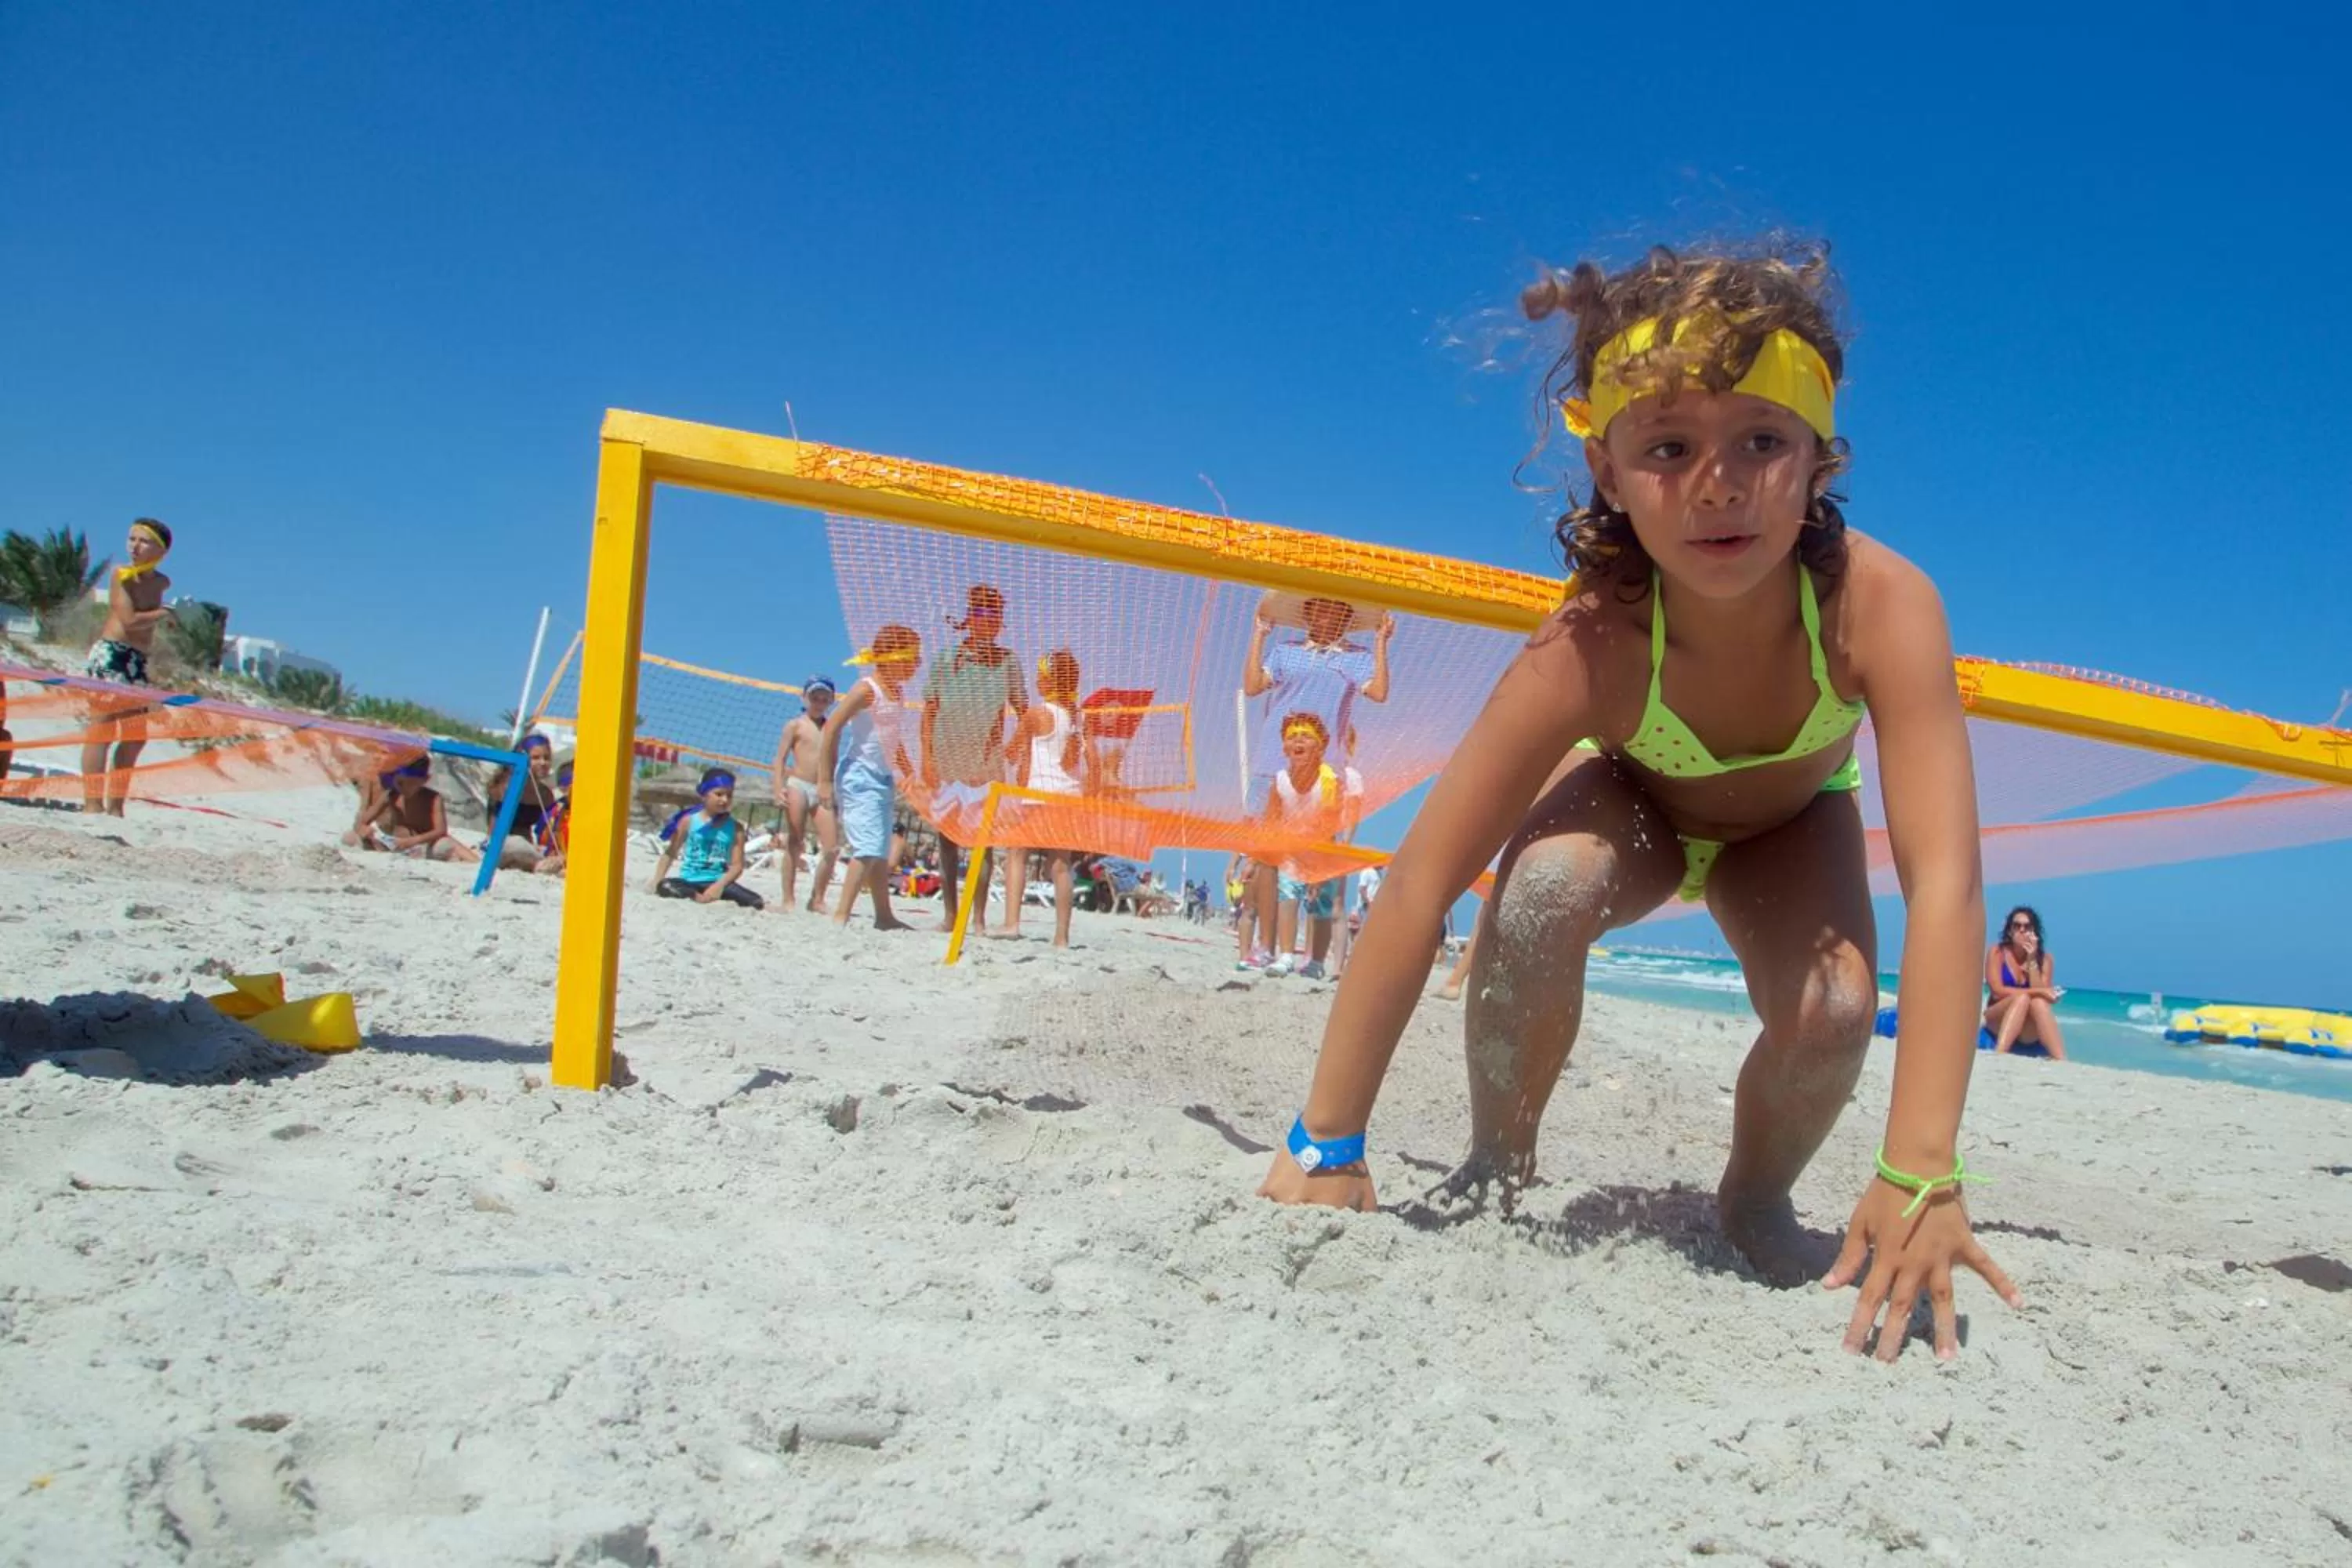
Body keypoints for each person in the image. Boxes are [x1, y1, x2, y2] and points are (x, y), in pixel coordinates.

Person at [1258, 243, 2020, 1362]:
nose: (1718, 483)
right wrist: (1327, 1142)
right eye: (1668, 447)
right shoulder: (1594, 638)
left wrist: (1921, 1169)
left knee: (1836, 1007)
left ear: (1820, 458)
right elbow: (1420, 880)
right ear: (1607, 470)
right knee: (1543, 890)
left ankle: (1755, 1198)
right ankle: (1499, 1157)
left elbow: (1946, 883)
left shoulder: (1882, 606)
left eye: (1762, 440)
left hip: (1788, 829)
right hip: (1637, 803)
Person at [922, 584, 1028, 931]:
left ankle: (978, 919)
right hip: (947, 761)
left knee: (983, 845)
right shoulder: (947, 659)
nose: (990, 621)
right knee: (947, 842)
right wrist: (927, 760)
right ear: (970, 618)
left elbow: (1025, 713)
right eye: (983, 613)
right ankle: (951, 916)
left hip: (986, 766)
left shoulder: (1008, 661)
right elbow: (929, 711)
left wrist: (1015, 748)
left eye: (996, 615)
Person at [1242, 595, 1392, 814]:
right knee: (1256, 834)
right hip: (1272, 764)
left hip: (1326, 772)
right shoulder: (1285, 651)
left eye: (1334, 607)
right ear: (1307, 614)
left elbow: (1379, 693)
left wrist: (1380, 642)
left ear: (1346, 617)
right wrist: (1259, 633)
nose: (1325, 612)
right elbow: (1252, 687)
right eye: (1318, 606)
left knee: (1323, 836)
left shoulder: (1357, 657)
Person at [818, 625, 921, 931]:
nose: (916, 665)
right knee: (866, 848)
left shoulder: (897, 692)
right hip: (859, 775)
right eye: (912, 659)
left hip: (883, 777)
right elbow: (831, 728)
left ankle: (884, 916)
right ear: (892, 658)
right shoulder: (867, 689)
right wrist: (824, 780)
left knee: (879, 849)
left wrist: (909, 770)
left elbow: (893, 738)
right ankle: (841, 916)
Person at [1255, 712, 1363, 979]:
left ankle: (1316, 962)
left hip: (1323, 850)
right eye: (1292, 737)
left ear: (1321, 747)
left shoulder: (1330, 781)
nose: (1298, 741)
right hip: (1291, 849)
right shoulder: (1280, 780)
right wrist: (1257, 858)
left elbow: (1329, 825)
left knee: (1322, 906)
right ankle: (1286, 956)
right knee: (1288, 896)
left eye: (1306, 736)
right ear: (1284, 747)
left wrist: (1319, 871)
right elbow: (1270, 821)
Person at [79, 518, 176, 815]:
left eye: (143, 541)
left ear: (160, 550)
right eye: (131, 539)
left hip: (137, 660)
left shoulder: (161, 582)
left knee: (135, 737)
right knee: (102, 730)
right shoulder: (121, 575)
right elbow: (129, 620)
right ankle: (92, 804)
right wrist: (164, 613)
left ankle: (116, 807)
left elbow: (146, 628)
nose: (134, 546)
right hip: (112, 654)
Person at [993, 649, 1084, 946]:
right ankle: (1062, 937)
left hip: (1040, 794)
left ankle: (1011, 923)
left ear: (1050, 680)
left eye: (1040, 675)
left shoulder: (1037, 713)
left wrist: (993, 737)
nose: (1036, 680)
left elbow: (1011, 752)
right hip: (1070, 797)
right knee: (1060, 865)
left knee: (1017, 852)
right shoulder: (1077, 715)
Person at [770, 677, 840, 912]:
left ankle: (817, 899)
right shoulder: (795, 725)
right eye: (814, 698)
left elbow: (833, 760)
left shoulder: (832, 728)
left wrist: (831, 787)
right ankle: (788, 899)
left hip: (822, 789)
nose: (819, 703)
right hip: (798, 784)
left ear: (831, 701)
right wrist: (778, 788)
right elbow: (780, 759)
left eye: (824, 699)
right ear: (805, 698)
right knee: (795, 842)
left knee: (832, 848)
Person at [648, 767, 763, 909]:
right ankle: (698, 897)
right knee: (665, 885)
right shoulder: (689, 821)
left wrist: (718, 886)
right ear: (704, 795)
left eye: (729, 795)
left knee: (756, 902)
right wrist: (657, 879)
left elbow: (737, 866)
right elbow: (671, 852)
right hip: (690, 882)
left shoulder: (736, 828)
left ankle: (705, 896)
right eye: (719, 794)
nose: (725, 800)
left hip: (719, 881)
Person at [345, 758, 482, 862]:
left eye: (410, 783)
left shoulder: (432, 798)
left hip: (425, 845)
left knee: (446, 846)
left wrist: (413, 841)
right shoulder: (391, 795)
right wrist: (364, 829)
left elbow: (441, 831)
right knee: (350, 837)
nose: (403, 787)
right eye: (400, 783)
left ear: (425, 780)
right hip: (395, 844)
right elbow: (363, 821)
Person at [1983, 906, 2066, 1059]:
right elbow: (1997, 992)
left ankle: (2061, 1060)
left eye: (2027, 927)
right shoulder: (1997, 952)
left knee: (2038, 1003)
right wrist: (2039, 992)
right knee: (2022, 999)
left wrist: (2032, 959)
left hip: (2027, 1028)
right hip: (1997, 1018)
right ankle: (2000, 1053)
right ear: (2010, 931)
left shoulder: (2045, 960)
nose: (2022, 930)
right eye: (2017, 926)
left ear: (2034, 932)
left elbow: (2043, 998)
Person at [486, 733, 564, 872]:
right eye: (536, 758)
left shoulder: (545, 794)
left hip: (528, 846)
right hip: (502, 843)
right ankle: (540, 865)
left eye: (546, 758)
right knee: (516, 843)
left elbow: (547, 830)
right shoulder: (505, 788)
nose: (543, 763)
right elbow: (494, 831)